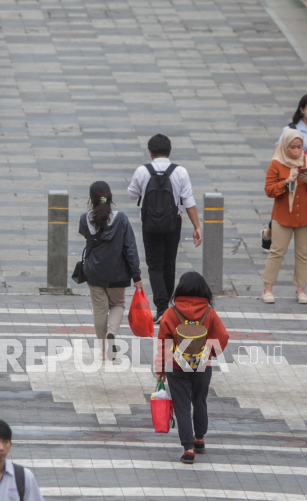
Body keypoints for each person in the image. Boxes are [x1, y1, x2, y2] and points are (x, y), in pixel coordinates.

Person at [155, 272, 229, 464]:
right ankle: (200, 439)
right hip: (202, 366)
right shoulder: (209, 313)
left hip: (176, 365)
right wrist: (209, 354)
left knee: (182, 406)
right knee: (200, 400)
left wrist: (160, 370)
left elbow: (163, 343)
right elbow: (223, 337)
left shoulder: (170, 314)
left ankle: (188, 448)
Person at [127, 134, 202, 323]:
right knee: (169, 264)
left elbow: (132, 194)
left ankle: (162, 308)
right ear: (169, 152)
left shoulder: (142, 171)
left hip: (150, 225)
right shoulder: (180, 172)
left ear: (150, 152)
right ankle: (167, 306)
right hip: (173, 224)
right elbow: (188, 201)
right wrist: (197, 227)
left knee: (154, 266)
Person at [262, 94, 307, 265]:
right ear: (302, 110)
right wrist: (282, 171)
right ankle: (268, 233)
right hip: (292, 171)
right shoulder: (292, 129)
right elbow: (279, 151)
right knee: (287, 204)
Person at [78, 181, 142, 359]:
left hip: (94, 272)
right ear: (110, 197)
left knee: (99, 310)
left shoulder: (85, 219)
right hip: (118, 273)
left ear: (91, 199)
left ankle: (103, 352)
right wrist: (136, 275)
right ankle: (111, 332)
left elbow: (86, 236)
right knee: (118, 304)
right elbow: (130, 248)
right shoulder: (121, 219)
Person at [262, 129, 307, 304]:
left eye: (299, 147)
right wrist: (285, 182)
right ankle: (267, 289)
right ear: (284, 146)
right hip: (282, 216)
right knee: (277, 251)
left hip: (305, 216)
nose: (296, 151)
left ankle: (301, 290)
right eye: (292, 147)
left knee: (304, 253)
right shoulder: (276, 164)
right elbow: (269, 190)